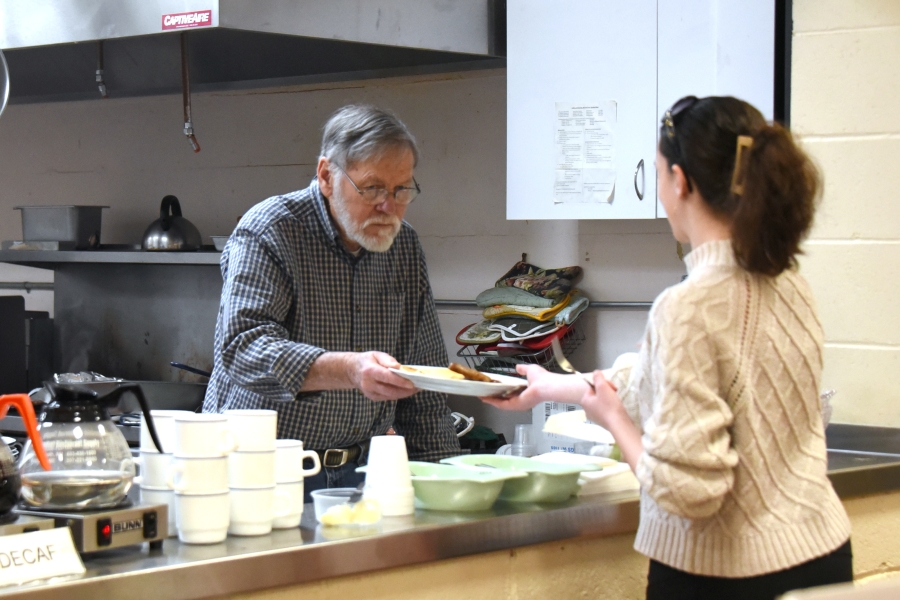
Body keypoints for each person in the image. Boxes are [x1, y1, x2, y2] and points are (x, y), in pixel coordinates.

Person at [483, 96, 853, 600]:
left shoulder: (687, 306)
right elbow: (672, 380)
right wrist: (555, 387)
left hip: (727, 576)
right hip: (822, 553)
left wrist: (613, 418)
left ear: (680, 181)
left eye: (658, 173)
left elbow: (686, 493)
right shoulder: (790, 285)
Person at [203, 105, 460, 499]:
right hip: (260, 473)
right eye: (372, 188)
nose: (388, 207)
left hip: (361, 473)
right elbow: (244, 347)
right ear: (326, 175)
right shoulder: (271, 230)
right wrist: (350, 369)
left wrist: (443, 489)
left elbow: (423, 382)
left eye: (402, 189)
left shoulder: (402, 245)